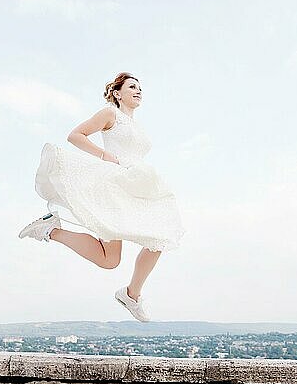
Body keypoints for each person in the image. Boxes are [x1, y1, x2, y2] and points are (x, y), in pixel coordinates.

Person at [18, 72, 185, 322]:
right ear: (118, 93)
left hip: (135, 184)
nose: (138, 91)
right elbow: (75, 135)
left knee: (142, 245)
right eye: (131, 87)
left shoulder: (137, 125)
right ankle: (50, 230)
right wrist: (104, 156)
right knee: (123, 253)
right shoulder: (111, 114)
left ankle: (130, 294)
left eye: (140, 87)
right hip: (114, 186)